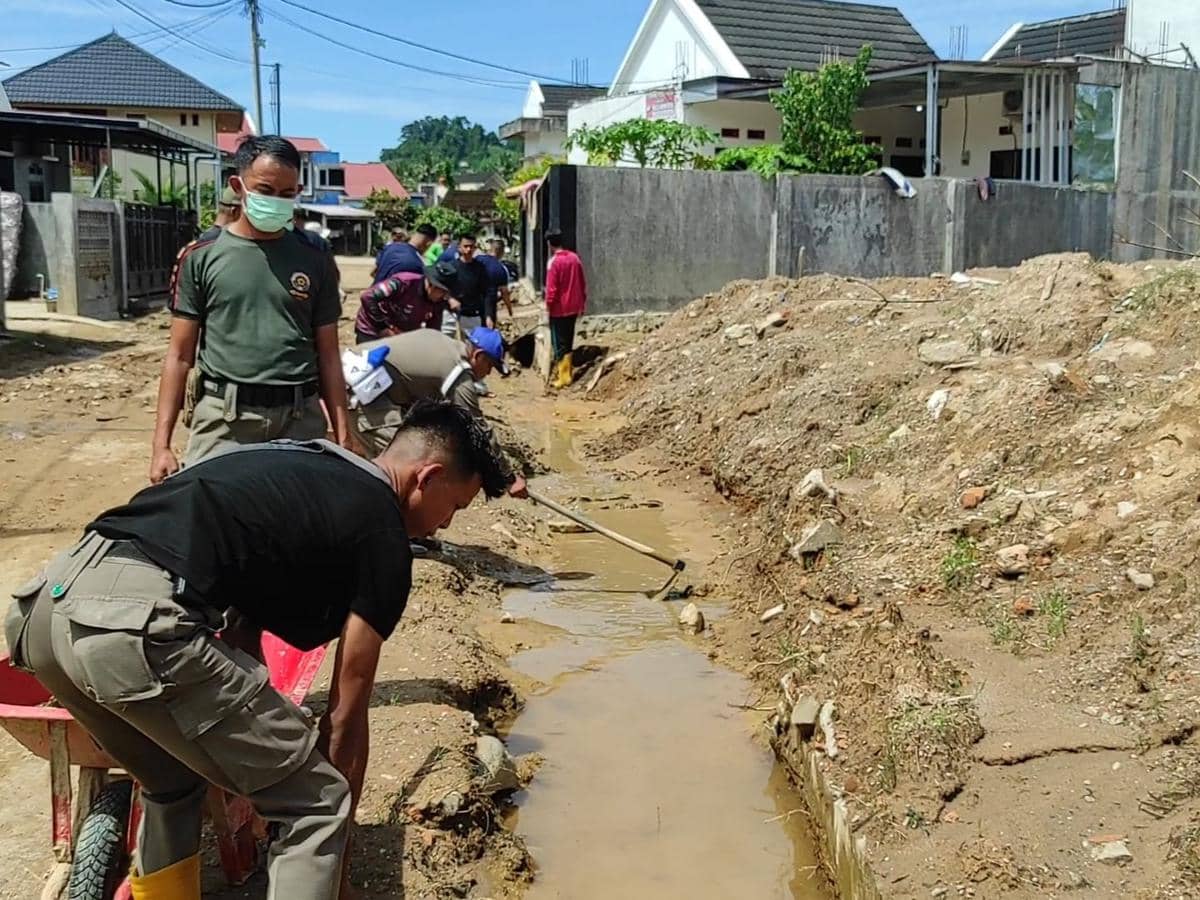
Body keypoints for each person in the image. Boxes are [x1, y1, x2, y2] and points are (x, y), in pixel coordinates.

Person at [5, 402, 510, 900]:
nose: (445, 526)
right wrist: (334, 866)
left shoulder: (301, 466)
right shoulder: (382, 534)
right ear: (428, 476)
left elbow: (242, 629)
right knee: (317, 801)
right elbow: (346, 713)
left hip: (46, 610)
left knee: (174, 781)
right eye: (455, 508)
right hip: (135, 623)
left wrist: (252, 737)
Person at [150, 135, 356, 483]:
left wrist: (343, 432)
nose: (276, 202)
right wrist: (161, 446)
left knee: (300, 522)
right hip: (224, 420)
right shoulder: (200, 256)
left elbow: (329, 356)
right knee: (216, 521)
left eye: (288, 195)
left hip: (299, 419)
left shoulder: (314, 258)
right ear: (238, 186)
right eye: (265, 190)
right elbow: (180, 356)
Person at [350, 326, 527, 497]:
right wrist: (508, 478)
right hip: (363, 389)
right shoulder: (457, 372)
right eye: (490, 365)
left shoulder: (442, 341)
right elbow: (479, 429)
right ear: (478, 356)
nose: (488, 373)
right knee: (404, 465)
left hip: (360, 375)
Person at [355, 260, 458, 344]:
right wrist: (383, 328)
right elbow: (367, 296)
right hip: (371, 329)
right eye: (443, 291)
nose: (445, 296)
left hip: (400, 335)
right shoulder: (403, 283)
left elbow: (433, 331)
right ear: (432, 285)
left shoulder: (439, 301)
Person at [544, 230, 587, 388]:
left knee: (559, 342)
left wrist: (548, 306)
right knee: (568, 340)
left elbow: (552, 289)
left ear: (549, 244)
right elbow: (582, 282)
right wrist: (582, 302)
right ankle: (566, 373)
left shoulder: (553, 262)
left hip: (559, 309)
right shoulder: (575, 258)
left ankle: (564, 376)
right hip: (574, 307)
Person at [437, 233, 492, 336]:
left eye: (471, 247)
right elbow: (440, 288)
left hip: (472, 317)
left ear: (475, 248)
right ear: (459, 248)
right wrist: (450, 299)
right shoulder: (450, 267)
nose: (468, 250)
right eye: (465, 246)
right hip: (451, 316)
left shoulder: (480, 269)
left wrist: (488, 315)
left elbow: (487, 293)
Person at [476, 238, 513, 323]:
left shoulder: (478, 260)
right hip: (489, 307)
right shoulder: (501, 269)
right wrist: (509, 309)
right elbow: (504, 293)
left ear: (490, 249)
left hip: (473, 305)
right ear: (502, 252)